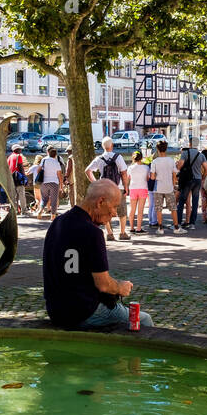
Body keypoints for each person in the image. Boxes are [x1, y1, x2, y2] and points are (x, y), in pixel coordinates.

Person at [43, 179, 153, 330]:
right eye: (114, 207)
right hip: (83, 312)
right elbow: (103, 285)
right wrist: (121, 287)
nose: (114, 213)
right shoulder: (93, 233)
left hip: (55, 310)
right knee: (144, 320)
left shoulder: (58, 222)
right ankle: (135, 355)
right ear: (100, 202)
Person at [86, 137, 130, 241]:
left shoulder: (99, 159)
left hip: (104, 189)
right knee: (122, 210)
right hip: (117, 187)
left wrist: (96, 183)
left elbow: (87, 171)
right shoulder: (118, 157)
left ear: (102, 147)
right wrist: (126, 187)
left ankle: (109, 233)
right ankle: (122, 233)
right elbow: (124, 173)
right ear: (112, 145)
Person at [149, 140, 181, 234]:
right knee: (173, 208)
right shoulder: (171, 160)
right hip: (169, 187)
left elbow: (152, 177)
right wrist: (173, 184)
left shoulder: (154, 161)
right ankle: (176, 227)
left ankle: (160, 228)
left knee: (159, 208)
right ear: (166, 149)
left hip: (158, 187)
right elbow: (174, 175)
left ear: (157, 149)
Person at [176, 137, 206, 229]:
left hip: (187, 180)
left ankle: (179, 223)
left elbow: (179, 166)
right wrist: (202, 178)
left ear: (189, 144)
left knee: (182, 200)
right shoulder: (201, 155)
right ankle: (192, 223)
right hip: (197, 180)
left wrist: (178, 166)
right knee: (195, 201)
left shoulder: (185, 153)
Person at [37, 146, 65, 220]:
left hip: (44, 182)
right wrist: (61, 186)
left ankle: (40, 210)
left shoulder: (44, 160)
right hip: (54, 183)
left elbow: (38, 170)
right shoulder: (56, 162)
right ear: (55, 155)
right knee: (54, 199)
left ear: (48, 153)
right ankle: (53, 216)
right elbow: (59, 175)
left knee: (44, 199)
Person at [126, 150, 151, 234]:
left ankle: (131, 228)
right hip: (143, 188)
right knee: (140, 210)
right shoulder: (146, 168)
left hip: (133, 189)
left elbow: (128, 178)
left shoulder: (130, 168)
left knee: (132, 209)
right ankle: (139, 229)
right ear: (142, 158)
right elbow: (148, 179)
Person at [6, 143, 29, 214]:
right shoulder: (18, 156)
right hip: (18, 178)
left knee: (14, 196)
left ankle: (15, 210)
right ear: (17, 150)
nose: (21, 150)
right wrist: (25, 177)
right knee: (21, 194)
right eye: (20, 149)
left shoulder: (9, 157)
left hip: (11, 178)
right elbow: (20, 167)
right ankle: (24, 211)